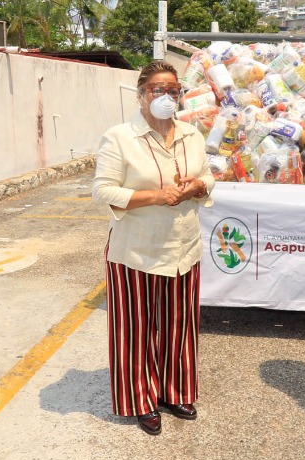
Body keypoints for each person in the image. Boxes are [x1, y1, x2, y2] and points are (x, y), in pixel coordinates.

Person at [91, 60, 214, 435]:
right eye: (157, 89)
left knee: (179, 326)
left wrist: (195, 187)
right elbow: (103, 190)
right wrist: (156, 196)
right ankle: (140, 398)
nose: (165, 96)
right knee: (135, 329)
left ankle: (175, 391)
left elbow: (207, 176)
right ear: (142, 94)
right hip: (136, 250)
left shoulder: (191, 134)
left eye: (173, 90)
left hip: (183, 246)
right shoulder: (120, 137)